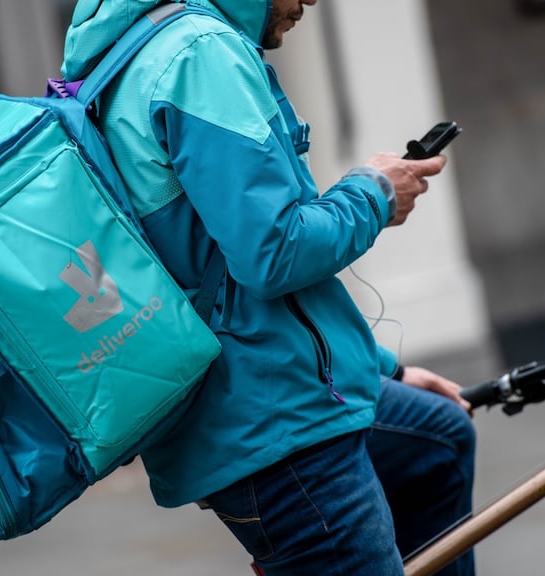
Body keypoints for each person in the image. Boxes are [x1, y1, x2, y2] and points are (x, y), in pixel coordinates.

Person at [61, 0, 476, 574]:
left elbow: (209, 266)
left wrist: (385, 368)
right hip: (279, 430)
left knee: (439, 440)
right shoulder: (198, 54)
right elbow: (273, 254)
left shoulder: (124, 52)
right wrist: (376, 193)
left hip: (262, 397)